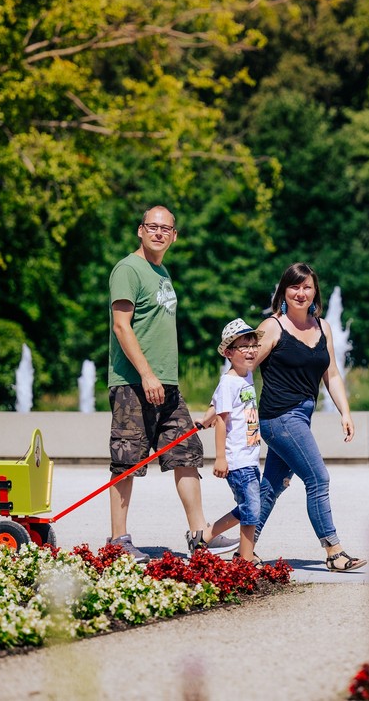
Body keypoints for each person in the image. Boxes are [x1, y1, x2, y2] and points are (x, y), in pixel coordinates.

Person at [106, 205, 238, 562]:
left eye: (166, 229)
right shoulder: (128, 269)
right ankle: (118, 541)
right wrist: (147, 374)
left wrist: (160, 377)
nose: (159, 233)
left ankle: (200, 535)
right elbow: (122, 326)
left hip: (167, 385)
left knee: (186, 453)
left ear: (174, 235)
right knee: (127, 459)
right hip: (133, 383)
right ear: (140, 230)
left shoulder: (162, 272)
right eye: (152, 227)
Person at [250, 262, 366, 572]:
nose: (301, 293)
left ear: (315, 291)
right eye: (295, 287)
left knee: (271, 487)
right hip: (279, 417)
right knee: (318, 478)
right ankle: (334, 551)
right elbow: (244, 364)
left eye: (307, 287)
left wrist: (345, 412)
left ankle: (239, 550)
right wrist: (222, 407)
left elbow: (333, 375)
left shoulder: (322, 327)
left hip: (301, 416)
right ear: (283, 291)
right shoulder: (272, 326)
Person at [197, 318, 266, 565]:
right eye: (243, 347)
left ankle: (204, 536)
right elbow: (222, 421)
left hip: (249, 456)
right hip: (236, 458)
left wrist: (205, 417)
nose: (250, 351)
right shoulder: (229, 382)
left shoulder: (244, 376)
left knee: (250, 506)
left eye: (253, 346)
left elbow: (216, 405)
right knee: (252, 509)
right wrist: (220, 458)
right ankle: (245, 560)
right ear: (228, 353)